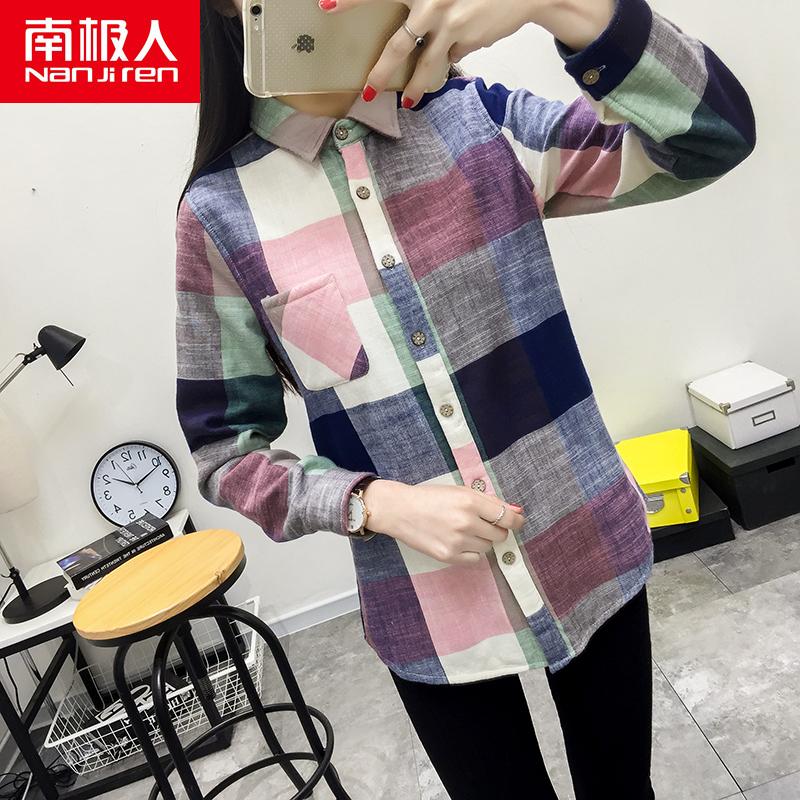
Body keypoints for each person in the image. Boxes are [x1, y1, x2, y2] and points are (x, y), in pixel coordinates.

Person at [173, 0, 755, 796]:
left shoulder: (481, 121)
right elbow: (225, 451)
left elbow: (709, 137)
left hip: (586, 541)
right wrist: (373, 504)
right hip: (426, 605)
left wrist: (558, 5)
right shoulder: (219, 216)